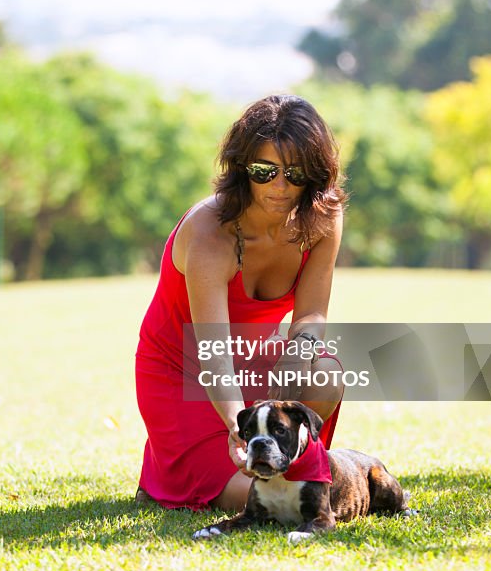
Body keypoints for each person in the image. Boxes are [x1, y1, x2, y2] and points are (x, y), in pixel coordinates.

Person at [134, 94, 347, 513]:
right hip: (185, 369)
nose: (280, 187)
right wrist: (238, 425)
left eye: (296, 173)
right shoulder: (209, 234)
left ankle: (290, 472)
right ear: (242, 169)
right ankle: (175, 473)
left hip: (255, 357)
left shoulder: (323, 216)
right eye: (265, 172)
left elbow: (311, 314)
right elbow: (212, 352)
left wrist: (293, 361)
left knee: (324, 372)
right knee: (250, 502)